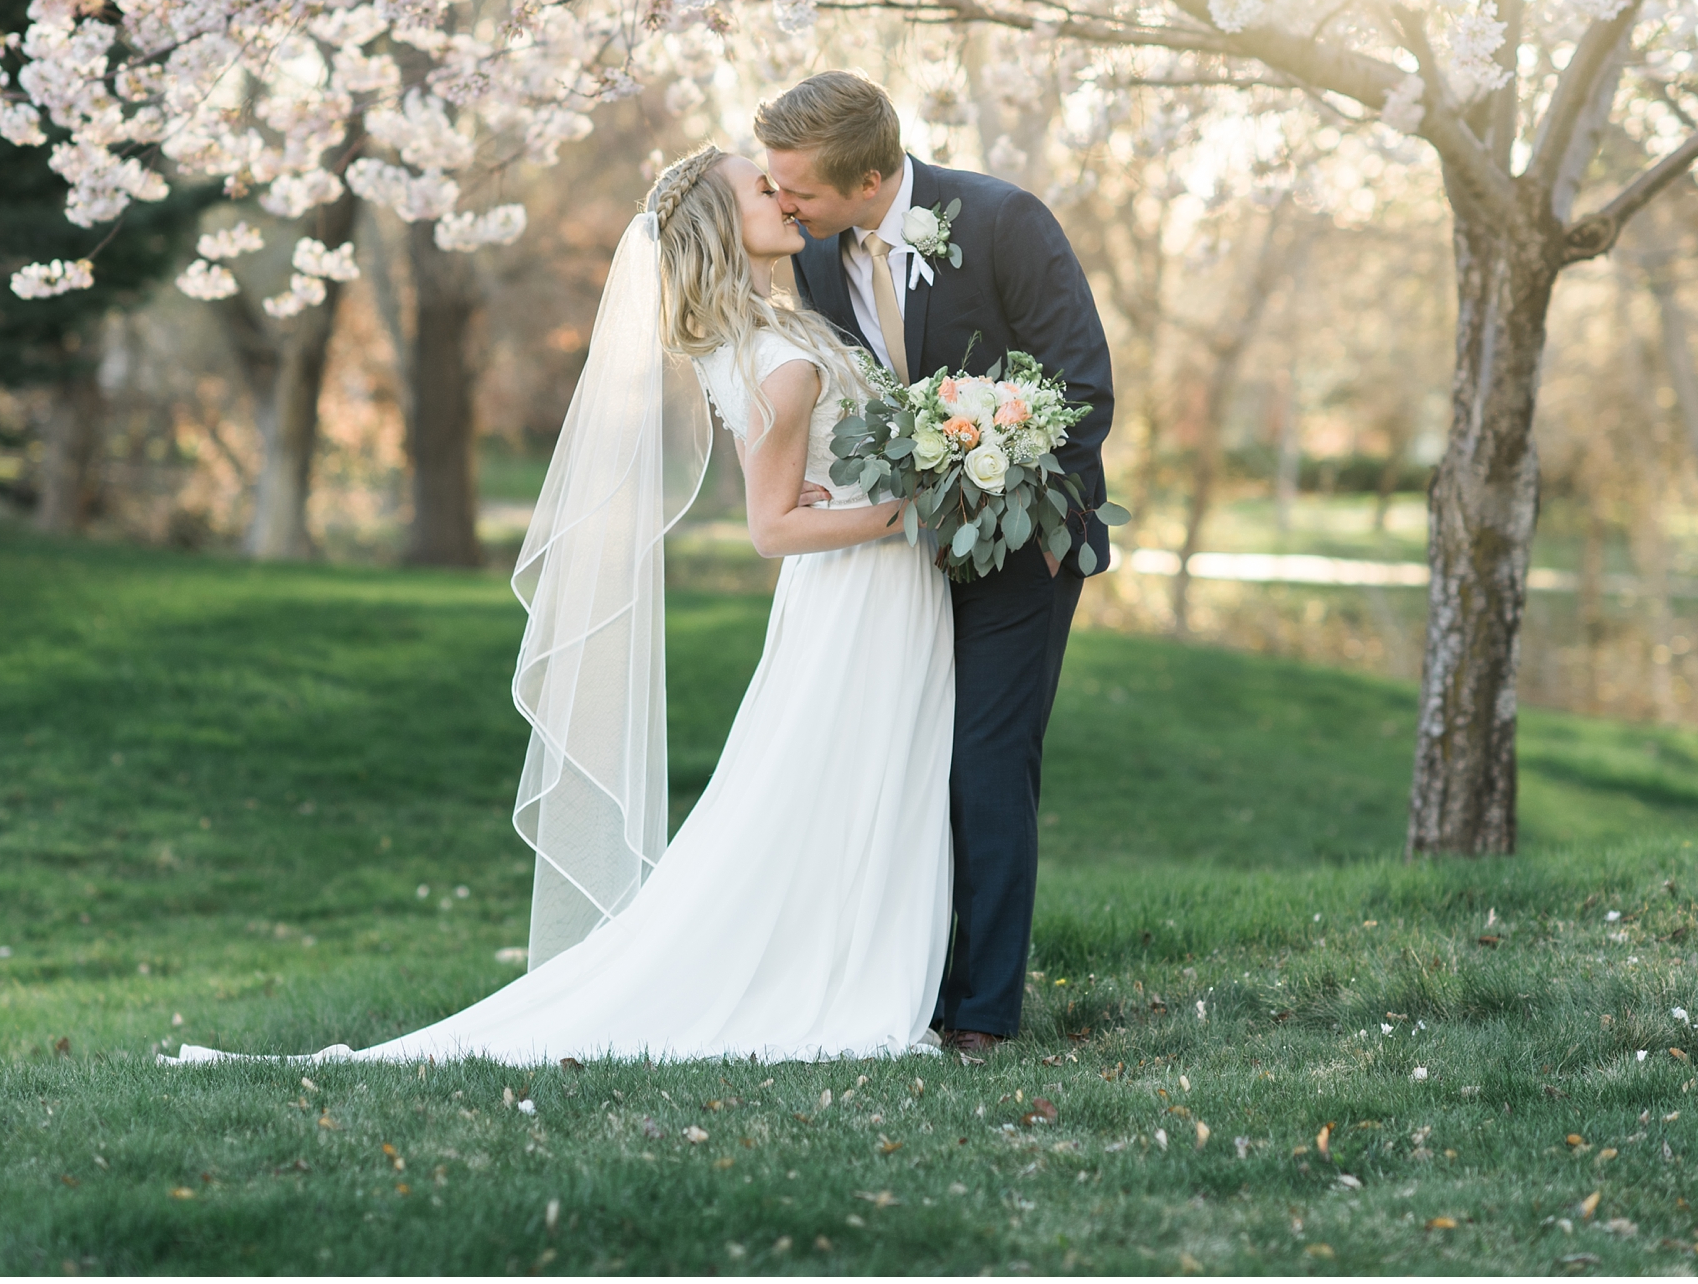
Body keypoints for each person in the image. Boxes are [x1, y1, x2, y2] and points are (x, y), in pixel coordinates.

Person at [163, 142, 959, 1066]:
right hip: (858, 598)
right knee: (835, 779)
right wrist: (907, 507)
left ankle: (854, 950)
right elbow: (772, 530)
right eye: (761, 187)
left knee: (852, 778)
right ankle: (829, 973)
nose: (784, 197)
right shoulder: (776, 359)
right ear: (717, 224)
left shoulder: (774, 333)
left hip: (876, 590)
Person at [759, 70, 1113, 1062]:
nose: (784, 204)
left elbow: (1080, 393)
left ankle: (981, 1014)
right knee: (901, 765)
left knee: (987, 767)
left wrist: (995, 503)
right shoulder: (819, 260)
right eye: (777, 186)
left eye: (802, 191)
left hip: (1024, 543)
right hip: (895, 559)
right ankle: (889, 982)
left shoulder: (1004, 222)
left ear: (871, 179)